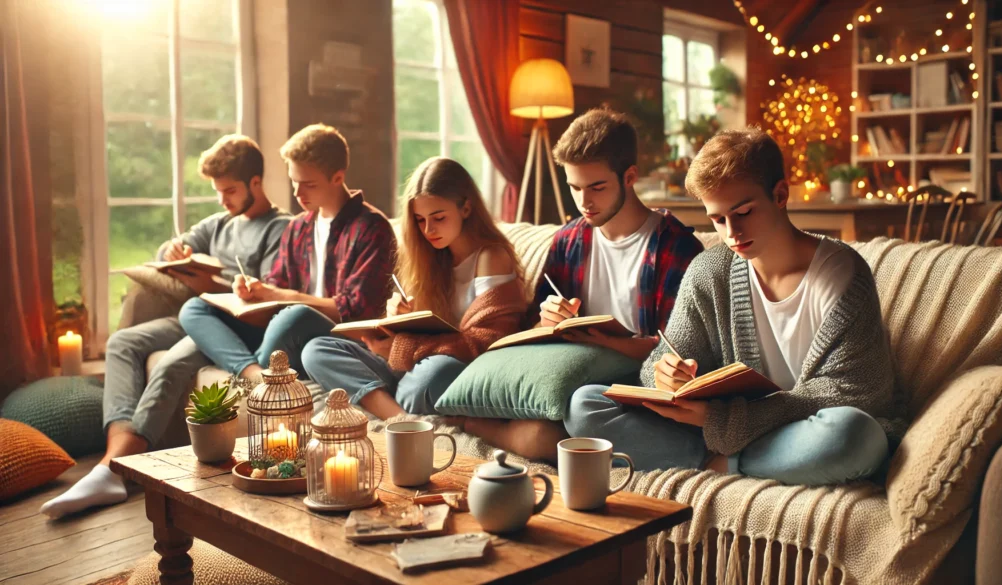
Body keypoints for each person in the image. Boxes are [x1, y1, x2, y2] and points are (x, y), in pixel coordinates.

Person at [564, 128, 907, 486]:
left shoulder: (841, 272)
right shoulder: (710, 270)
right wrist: (665, 375)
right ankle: (736, 462)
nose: (732, 233)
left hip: (804, 430)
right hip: (735, 430)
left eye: (743, 212)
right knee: (585, 405)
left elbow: (858, 394)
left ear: (780, 195)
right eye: (718, 219)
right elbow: (659, 363)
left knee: (853, 436)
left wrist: (724, 422)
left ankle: (727, 462)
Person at [41, 135, 291, 518]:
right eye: (217, 191)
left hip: (237, 328)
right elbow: (167, 251)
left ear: (255, 183)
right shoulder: (220, 223)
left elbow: (269, 294)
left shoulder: (281, 229)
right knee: (123, 342)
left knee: (173, 363)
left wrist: (215, 286)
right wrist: (173, 252)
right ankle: (115, 461)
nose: (223, 200)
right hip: (196, 314)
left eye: (230, 190)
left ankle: (111, 470)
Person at [464, 108, 705, 461]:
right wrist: (546, 321)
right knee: (542, 427)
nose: (584, 202)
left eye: (596, 187)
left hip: (638, 389)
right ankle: (500, 430)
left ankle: (694, 453)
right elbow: (531, 329)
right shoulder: (569, 241)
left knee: (582, 410)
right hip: (575, 377)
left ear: (630, 176)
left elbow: (676, 354)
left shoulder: (676, 247)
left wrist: (606, 343)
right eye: (574, 187)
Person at [178, 123, 396, 393]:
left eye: (309, 184)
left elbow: (354, 310)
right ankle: (254, 374)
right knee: (195, 308)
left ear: (338, 177)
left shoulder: (371, 228)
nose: (297, 193)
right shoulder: (299, 227)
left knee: (296, 315)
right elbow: (275, 287)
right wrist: (254, 291)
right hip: (287, 332)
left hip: (338, 341)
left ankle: (259, 377)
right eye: (294, 181)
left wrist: (280, 297)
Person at [302, 157, 526, 419]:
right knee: (316, 350)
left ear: (466, 208)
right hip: (411, 365)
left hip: (450, 367)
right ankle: (399, 416)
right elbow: (418, 332)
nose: (428, 230)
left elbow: (488, 343)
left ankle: (394, 407)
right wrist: (397, 319)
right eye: (420, 220)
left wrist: (403, 347)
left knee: (434, 374)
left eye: (439, 217)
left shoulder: (490, 257)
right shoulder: (427, 257)